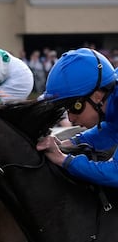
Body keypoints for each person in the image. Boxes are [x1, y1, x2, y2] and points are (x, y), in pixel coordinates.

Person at [36, 48, 118, 186]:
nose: (71, 118)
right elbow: (112, 130)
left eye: (74, 107)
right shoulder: (110, 94)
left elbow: (115, 174)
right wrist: (68, 143)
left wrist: (63, 159)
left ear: (98, 96)